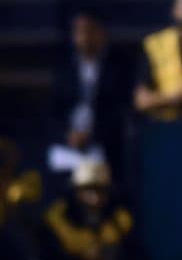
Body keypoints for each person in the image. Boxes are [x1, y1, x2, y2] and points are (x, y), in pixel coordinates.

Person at [50, 10, 133, 184]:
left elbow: (120, 110)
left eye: (90, 31)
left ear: (102, 33)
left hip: (105, 144)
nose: (85, 37)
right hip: (68, 143)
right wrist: (68, 135)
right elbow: (54, 110)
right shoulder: (65, 69)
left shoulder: (119, 66)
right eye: (80, 32)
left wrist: (92, 135)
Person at [39, 160, 142, 260]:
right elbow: (49, 258)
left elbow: (134, 254)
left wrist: (114, 256)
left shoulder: (120, 218)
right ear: (76, 192)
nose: (95, 199)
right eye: (88, 190)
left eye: (100, 191)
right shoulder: (56, 218)